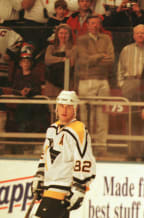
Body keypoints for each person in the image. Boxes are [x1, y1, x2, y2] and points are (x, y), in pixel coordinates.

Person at [31, 90, 96, 218]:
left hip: (63, 188)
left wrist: (80, 186)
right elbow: (45, 155)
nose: (64, 110)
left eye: (68, 107)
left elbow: (84, 158)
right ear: (56, 108)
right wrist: (39, 175)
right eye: (61, 106)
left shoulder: (79, 130)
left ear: (75, 109)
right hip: (49, 186)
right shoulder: (52, 129)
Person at [72, 15, 114, 157]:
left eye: (97, 23)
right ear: (88, 25)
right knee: (85, 116)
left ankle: (101, 147)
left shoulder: (106, 39)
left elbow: (111, 60)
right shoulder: (82, 40)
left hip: (103, 80)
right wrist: (101, 56)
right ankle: (84, 146)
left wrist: (95, 58)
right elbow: (84, 61)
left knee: (102, 115)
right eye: (92, 23)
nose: (95, 26)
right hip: (85, 80)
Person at [117, 24, 144, 102]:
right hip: (130, 83)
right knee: (131, 111)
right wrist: (122, 84)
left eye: (142, 33)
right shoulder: (126, 50)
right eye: (137, 33)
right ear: (134, 35)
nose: (140, 35)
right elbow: (120, 68)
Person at [44, 23, 75, 97]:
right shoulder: (51, 47)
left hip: (67, 81)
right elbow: (47, 60)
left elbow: (71, 62)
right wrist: (62, 59)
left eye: (66, 33)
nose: (63, 36)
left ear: (70, 35)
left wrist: (56, 59)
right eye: (61, 33)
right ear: (57, 34)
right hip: (51, 81)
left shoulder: (74, 48)